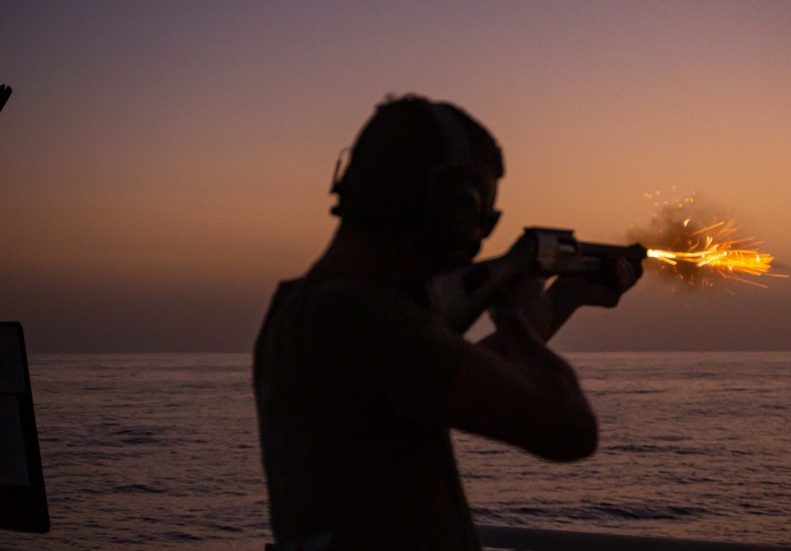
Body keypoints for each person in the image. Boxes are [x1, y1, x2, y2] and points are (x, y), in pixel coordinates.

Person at [253, 95, 642, 551]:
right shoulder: (358, 319)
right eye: (477, 217)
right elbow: (570, 429)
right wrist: (517, 323)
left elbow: (465, 373)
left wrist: (568, 296)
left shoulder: (318, 311)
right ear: (446, 207)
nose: (476, 239)